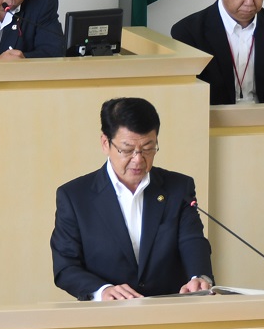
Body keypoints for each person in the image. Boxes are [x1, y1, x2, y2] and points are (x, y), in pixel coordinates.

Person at [51, 97, 214, 300]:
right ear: (105, 143)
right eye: (127, 150)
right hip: (108, 316)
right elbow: (65, 266)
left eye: (148, 148)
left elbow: (192, 240)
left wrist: (199, 275)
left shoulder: (178, 188)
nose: (138, 159)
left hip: (169, 312)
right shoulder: (75, 197)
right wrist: (102, 290)